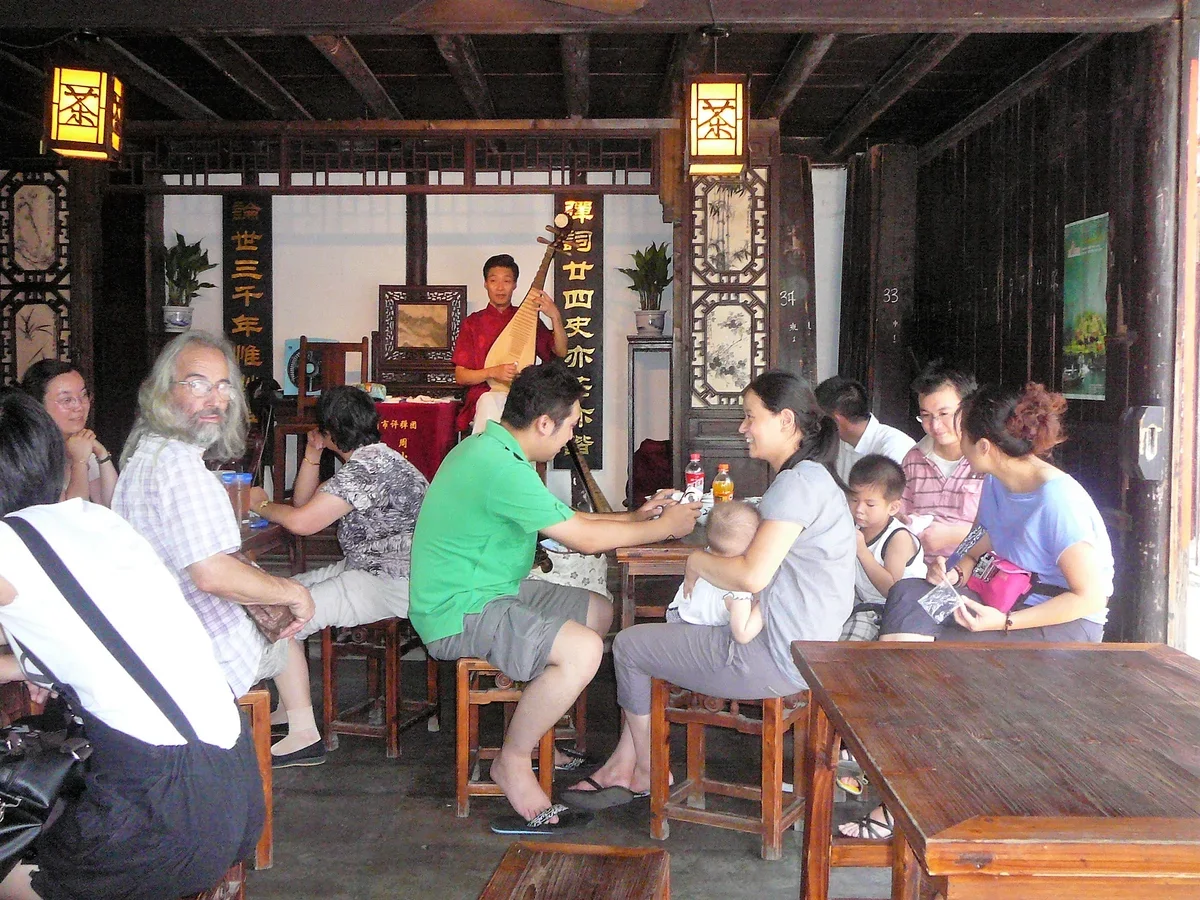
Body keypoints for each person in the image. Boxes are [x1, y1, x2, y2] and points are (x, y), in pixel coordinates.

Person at [408, 360, 699, 834]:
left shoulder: (493, 451)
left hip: (494, 591)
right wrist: (665, 527)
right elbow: (582, 537)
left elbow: (570, 520)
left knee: (597, 611)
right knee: (582, 649)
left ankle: (546, 725)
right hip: (458, 610)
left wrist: (639, 516)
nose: (570, 436)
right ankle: (513, 761)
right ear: (544, 423)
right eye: (570, 425)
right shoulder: (499, 467)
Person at [0, 388, 263, 900]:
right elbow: (99, 638)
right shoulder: (96, 520)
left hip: (158, 821)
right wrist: (20, 667)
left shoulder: (7, 545)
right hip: (234, 787)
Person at [562, 370, 855, 812]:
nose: (743, 428)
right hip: (804, 648)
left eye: (750, 417)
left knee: (629, 646)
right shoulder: (812, 478)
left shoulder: (796, 485)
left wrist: (696, 561)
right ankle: (626, 765)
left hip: (775, 655)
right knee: (655, 644)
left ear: (786, 421)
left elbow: (751, 575)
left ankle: (648, 770)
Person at [843, 384, 1115, 841]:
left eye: (961, 431)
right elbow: (979, 536)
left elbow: (1090, 598)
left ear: (984, 446)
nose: (951, 437)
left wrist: (1004, 623)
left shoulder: (1057, 501)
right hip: (997, 601)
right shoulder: (997, 480)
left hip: (1055, 622)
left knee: (936, 655)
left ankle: (897, 779)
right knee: (908, 593)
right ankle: (896, 744)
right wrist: (956, 569)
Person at [112, 331, 326, 769]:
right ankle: (302, 731)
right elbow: (211, 573)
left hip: (159, 633)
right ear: (163, 392)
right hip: (201, 652)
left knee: (272, 602)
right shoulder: (181, 468)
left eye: (223, 385)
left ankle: (288, 719)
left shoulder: (145, 452)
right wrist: (292, 593)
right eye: (197, 384)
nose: (214, 399)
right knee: (290, 621)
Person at [247, 384, 428, 634]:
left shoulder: (364, 470)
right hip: (383, 570)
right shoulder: (380, 459)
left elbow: (302, 522)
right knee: (280, 593)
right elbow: (305, 503)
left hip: (391, 581)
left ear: (330, 430)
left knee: (282, 618)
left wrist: (259, 504)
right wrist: (313, 452)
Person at [452, 253, 568, 434]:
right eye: (493, 281)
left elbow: (560, 351)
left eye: (506, 281)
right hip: (484, 396)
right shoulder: (473, 323)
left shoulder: (527, 320)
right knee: (490, 402)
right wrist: (492, 372)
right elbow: (461, 376)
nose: (500, 287)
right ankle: (489, 451)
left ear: (514, 285)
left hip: (520, 395)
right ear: (485, 284)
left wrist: (555, 316)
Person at [899, 362, 984, 562]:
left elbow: (1010, 533)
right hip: (921, 570)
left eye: (944, 414)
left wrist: (953, 535)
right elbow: (899, 515)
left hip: (977, 573)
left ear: (968, 407)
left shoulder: (988, 459)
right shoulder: (913, 460)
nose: (935, 425)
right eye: (926, 416)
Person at [841, 454, 926, 643]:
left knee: (847, 646)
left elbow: (891, 589)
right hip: (861, 603)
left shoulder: (898, 538)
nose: (859, 509)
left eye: (870, 504)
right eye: (854, 500)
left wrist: (862, 551)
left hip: (895, 611)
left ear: (893, 507)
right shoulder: (854, 526)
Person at [20, 360, 117, 506]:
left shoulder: (78, 443)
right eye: (66, 400)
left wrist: (102, 454)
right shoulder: (28, 453)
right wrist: (79, 463)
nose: (79, 406)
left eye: (83, 395)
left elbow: (113, 506)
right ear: (38, 406)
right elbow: (71, 513)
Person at [665, 500, 759, 637]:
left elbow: (691, 565)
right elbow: (742, 634)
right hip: (694, 630)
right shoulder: (738, 593)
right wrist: (762, 609)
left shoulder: (702, 557)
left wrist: (689, 581)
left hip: (677, 612)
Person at [815, 375, 915, 483]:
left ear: (836, 420)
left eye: (818, 418)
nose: (817, 424)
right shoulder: (837, 444)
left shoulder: (895, 447)